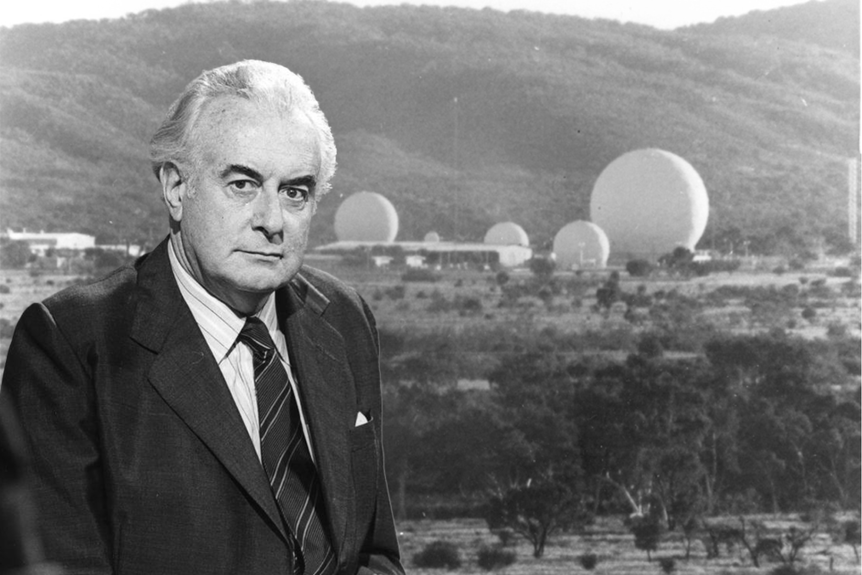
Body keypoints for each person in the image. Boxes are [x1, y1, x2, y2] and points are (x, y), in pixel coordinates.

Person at [0, 60, 404, 575]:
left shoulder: (344, 318)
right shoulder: (73, 344)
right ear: (175, 188)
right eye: (241, 184)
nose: (272, 221)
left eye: (295, 192)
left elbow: (375, 554)